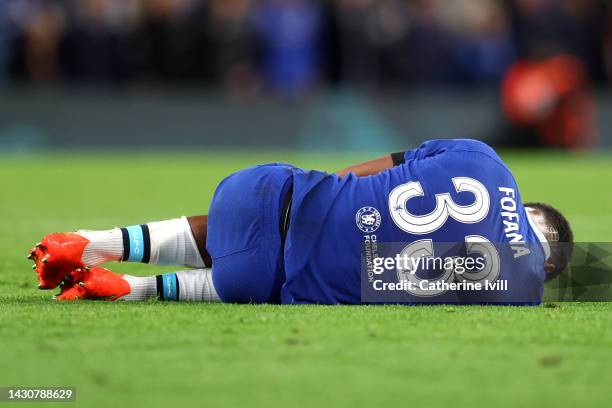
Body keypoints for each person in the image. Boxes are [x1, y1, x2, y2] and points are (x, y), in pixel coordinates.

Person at [28, 139, 573, 305]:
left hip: (256, 191)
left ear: (531, 207)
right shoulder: (519, 282)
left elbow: (366, 170)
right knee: (289, 268)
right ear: (545, 261)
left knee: (269, 219)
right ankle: (137, 290)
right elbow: (392, 275)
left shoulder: (484, 159)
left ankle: (99, 241)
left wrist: (329, 195)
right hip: (258, 280)